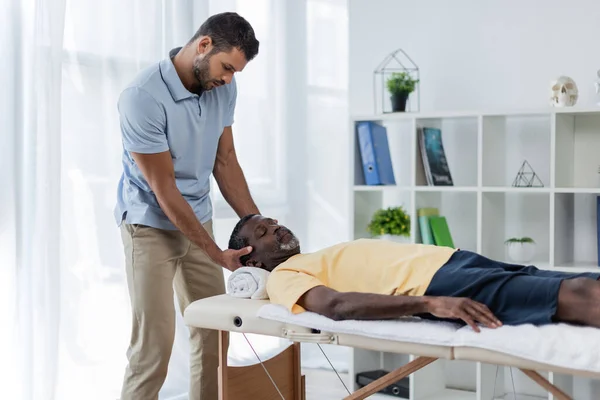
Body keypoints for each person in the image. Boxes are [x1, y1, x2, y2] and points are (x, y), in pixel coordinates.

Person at [114, 12, 260, 400]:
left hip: (198, 218)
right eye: (227, 67)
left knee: (214, 335)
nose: (228, 79)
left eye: (235, 73)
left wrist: (257, 224)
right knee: (153, 348)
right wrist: (215, 253)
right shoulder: (141, 97)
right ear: (204, 45)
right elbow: (164, 190)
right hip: (149, 226)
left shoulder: (223, 88)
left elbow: (225, 162)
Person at [228, 214, 600, 332]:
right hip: (442, 283)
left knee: (583, 283)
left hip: (456, 262)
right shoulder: (282, 278)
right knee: (580, 295)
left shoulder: (315, 256)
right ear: (253, 262)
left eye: (273, 223)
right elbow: (336, 305)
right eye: (263, 233)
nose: (276, 229)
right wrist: (432, 303)